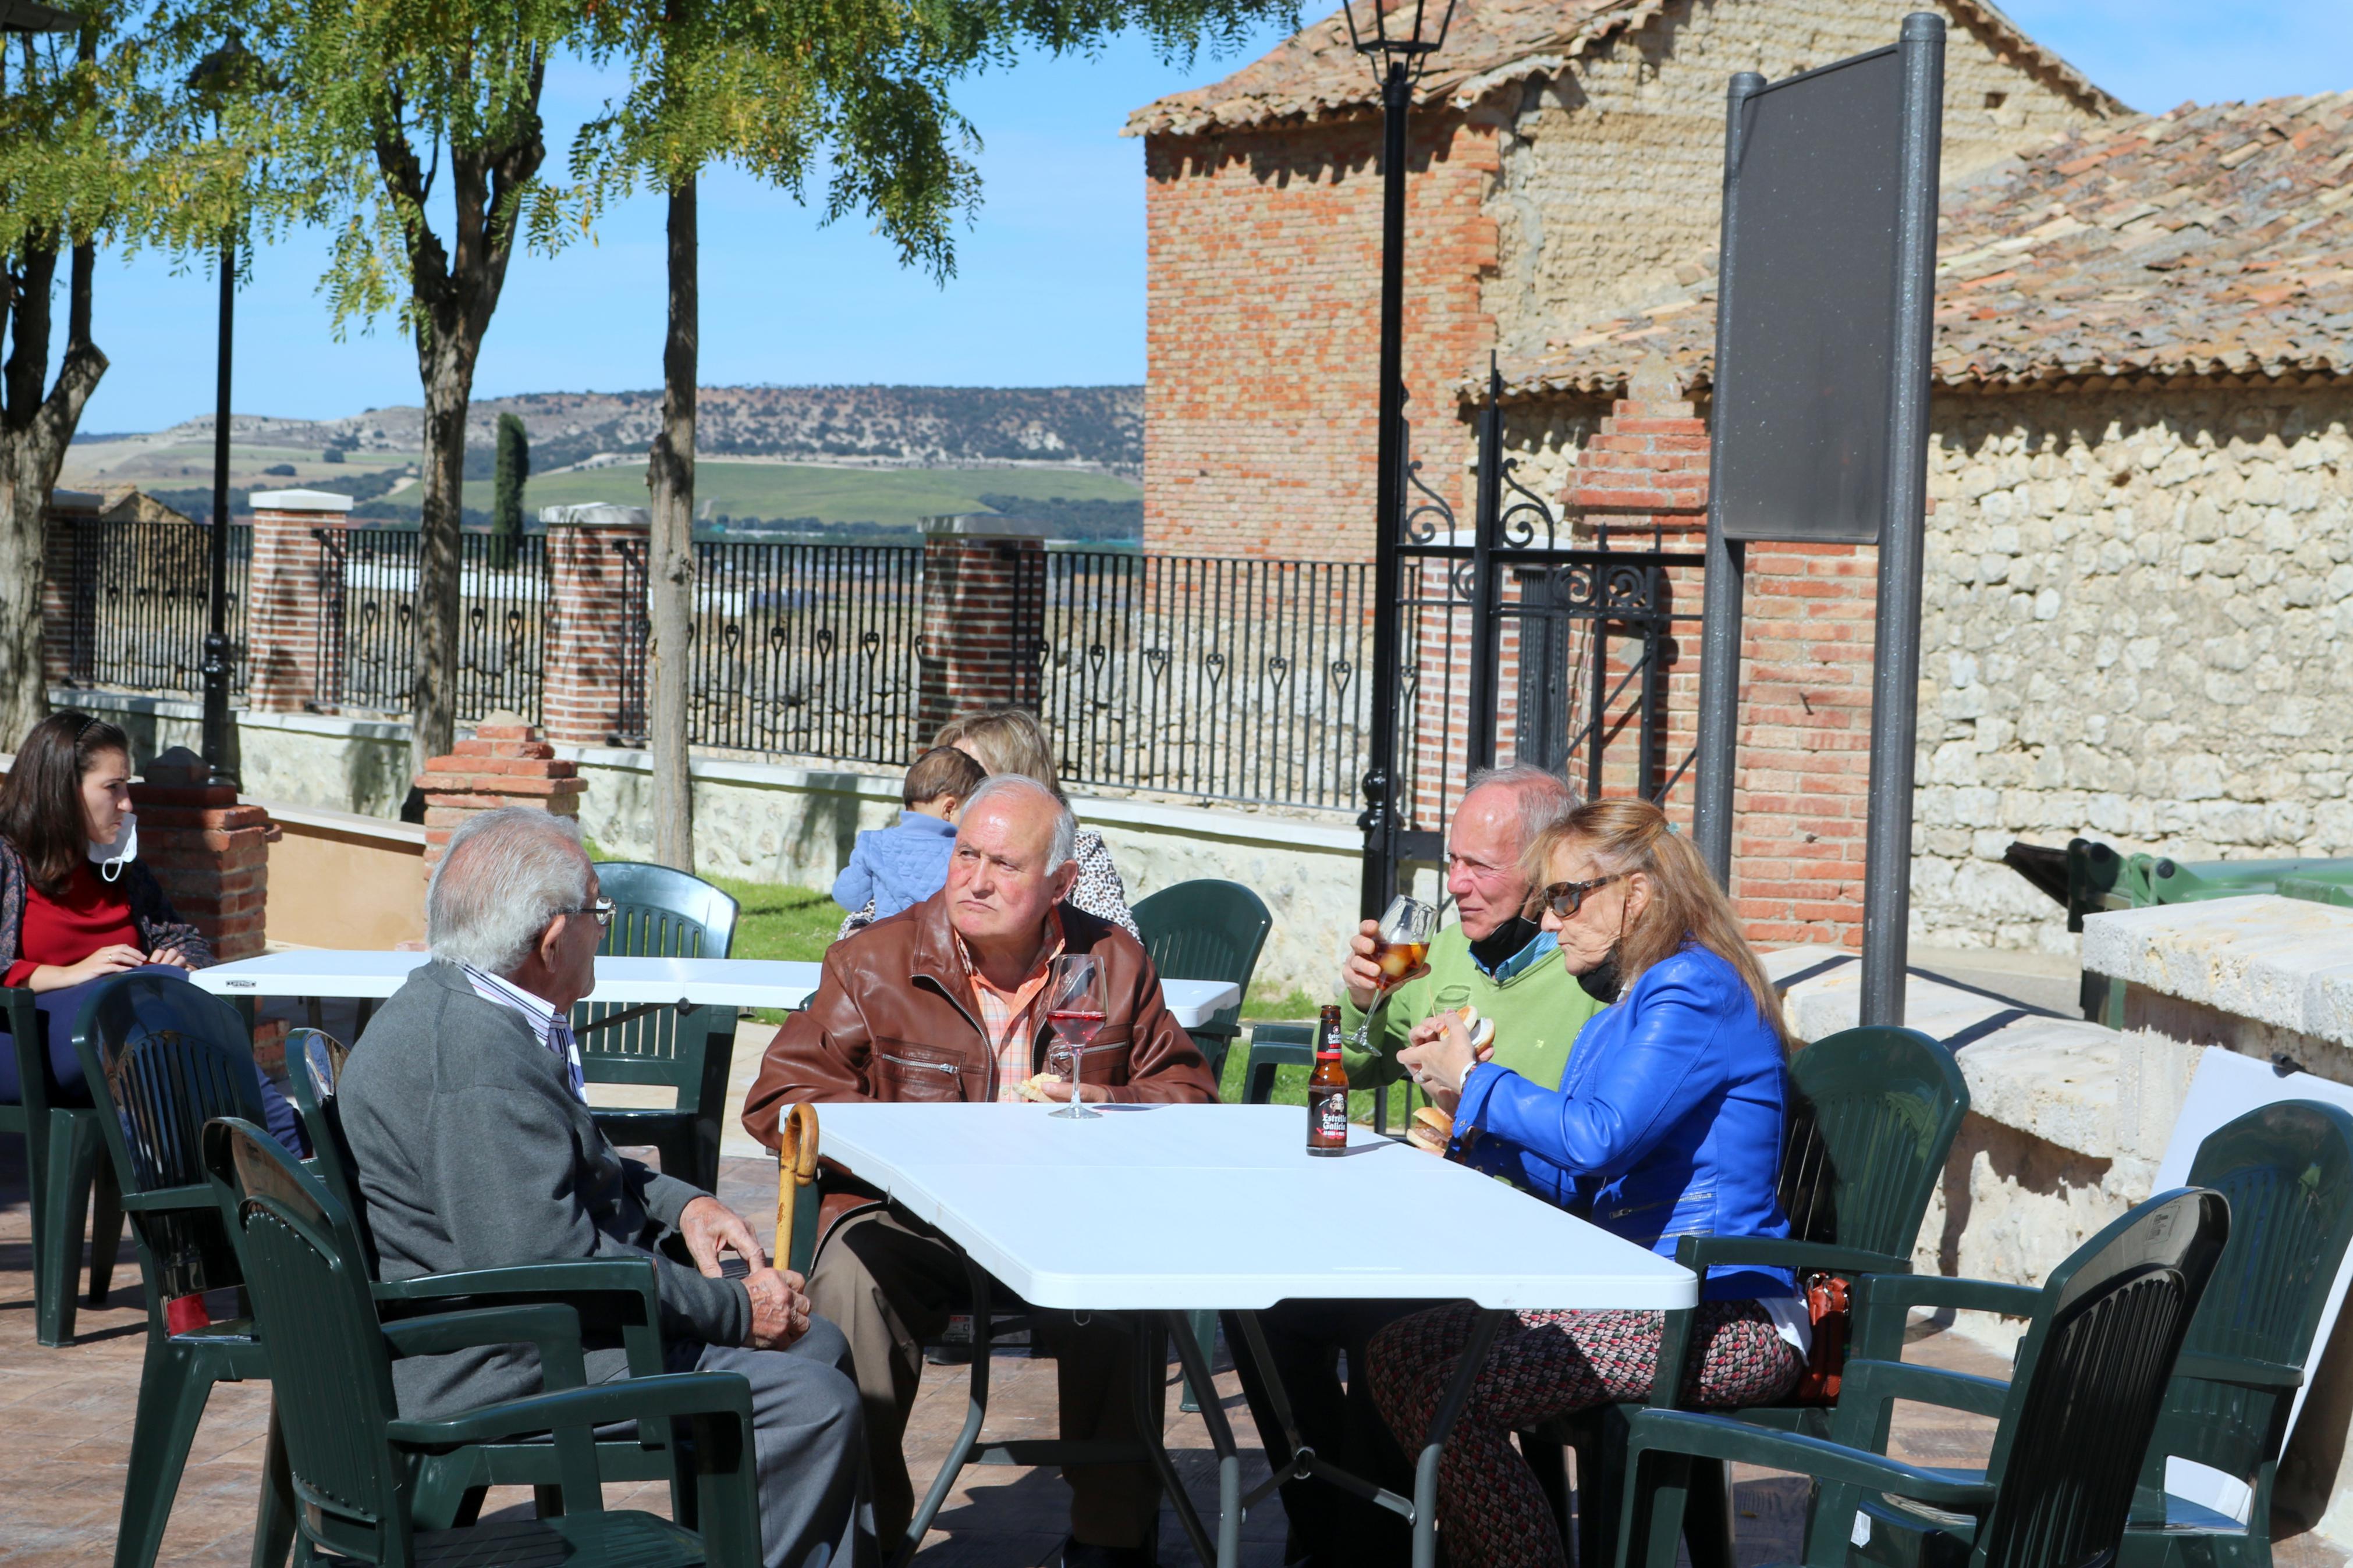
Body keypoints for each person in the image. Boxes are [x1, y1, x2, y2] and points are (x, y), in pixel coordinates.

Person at [337, 808, 871, 1568]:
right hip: (507, 1360)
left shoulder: (474, 1006)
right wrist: (730, 1307)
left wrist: (684, 1203)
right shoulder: (476, 1065)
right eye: (598, 911)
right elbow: (544, 1258)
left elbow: (567, 1167)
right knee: (809, 1406)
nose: (604, 927)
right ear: (552, 939)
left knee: (816, 1343)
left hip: (529, 1326)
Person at [747, 774, 1216, 1568]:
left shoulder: (1114, 963)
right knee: (850, 1275)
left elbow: (1190, 1096)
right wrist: (918, 1141)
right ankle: (862, 1532)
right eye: (966, 853)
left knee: (1123, 1279)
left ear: (1060, 882)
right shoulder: (873, 961)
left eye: (1004, 863)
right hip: (914, 1221)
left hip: (1069, 1216)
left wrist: (1106, 1097)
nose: (975, 878)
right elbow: (781, 1099)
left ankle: (1110, 1537)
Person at [1368, 798, 1807, 1568]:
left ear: (1634, 893)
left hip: (1724, 1311)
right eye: (1545, 899)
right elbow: (1573, 1178)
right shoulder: (1618, 1010)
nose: (1547, 921)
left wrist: (1478, 1079)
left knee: (1453, 1392)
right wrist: (1463, 1113)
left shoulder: (1691, 988)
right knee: (1396, 1353)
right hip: (1642, 1295)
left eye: (1567, 896)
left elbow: (1599, 1137)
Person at [1231, 763, 1603, 1565]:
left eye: (1479, 866)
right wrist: (1362, 996)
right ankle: (1333, 1525)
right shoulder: (1436, 946)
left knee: (1383, 1321)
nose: (1456, 885)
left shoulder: (1586, 976)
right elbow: (1362, 1067)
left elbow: (1596, 1138)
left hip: (1530, 1250)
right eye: (1451, 863)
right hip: (1427, 1226)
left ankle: (1357, 1547)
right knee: (1262, 1308)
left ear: (1545, 868)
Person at [836, 706, 1137, 940]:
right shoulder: (939, 842)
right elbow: (861, 918)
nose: (950, 787)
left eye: (969, 771)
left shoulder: (1079, 851)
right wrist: (866, 938)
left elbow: (1119, 940)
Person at [830, 745, 986, 922]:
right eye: (970, 812)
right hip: (939, 947)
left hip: (886, 945)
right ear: (949, 809)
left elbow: (848, 898)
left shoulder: (873, 843)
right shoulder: (961, 853)